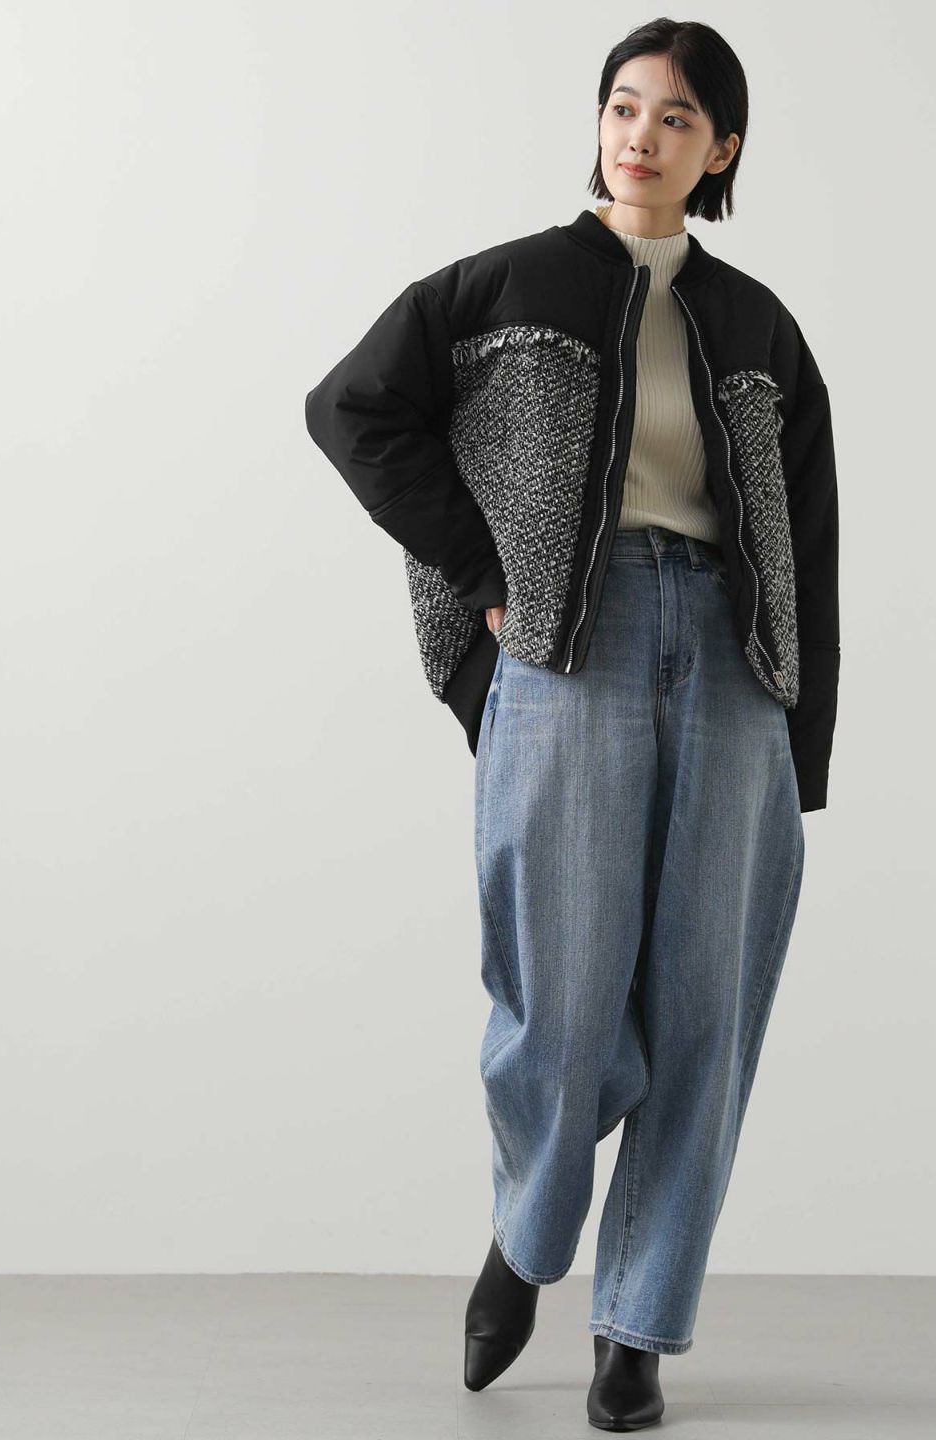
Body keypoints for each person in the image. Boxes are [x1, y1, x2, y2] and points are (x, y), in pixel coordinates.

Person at [304, 17, 840, 1431]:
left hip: (730, 662)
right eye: (623, 106)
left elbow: (808, 536)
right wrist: (486, 574)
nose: (641, 135)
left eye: (677, 117)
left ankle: (637, 1328)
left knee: (707, 1012)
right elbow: (353, 408)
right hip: (569, 653)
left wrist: (806, 739)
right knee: (561, 998)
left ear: (722, 150)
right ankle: (531, 1234)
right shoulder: (506, 283)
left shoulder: (760, 324)